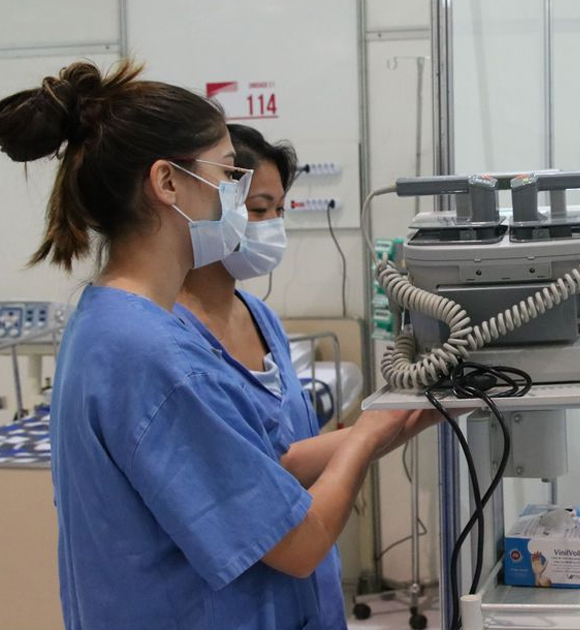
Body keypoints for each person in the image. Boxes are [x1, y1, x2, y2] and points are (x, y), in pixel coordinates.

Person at [0, 60, 436, 629]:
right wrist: (368, 436)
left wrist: (400, 417)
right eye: (230, 175)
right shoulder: (153, 355)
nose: (239, 197)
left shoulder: (112, 323)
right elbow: (300, 545)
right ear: (167, 183)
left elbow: (258, 471)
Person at [173, 124, 356, 629]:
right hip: (238, 596)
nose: (272, 226)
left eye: (279, 210)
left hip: (309, 587)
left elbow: (287, 456)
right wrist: (366, 441)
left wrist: (394, 420)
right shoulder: (171, 339)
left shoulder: (260, 317)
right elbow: (247, 486)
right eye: (258, 209)